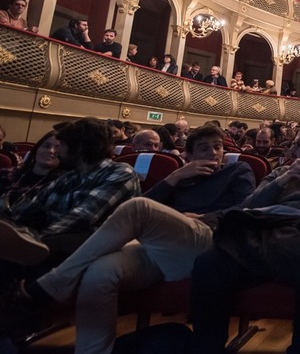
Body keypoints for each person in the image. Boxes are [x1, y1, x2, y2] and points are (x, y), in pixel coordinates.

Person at [9, 125, 256, 353]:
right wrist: (173, 178)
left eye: (218, 146)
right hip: (158, 251)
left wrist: (204, 216)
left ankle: (51, 285)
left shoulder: (237, 170)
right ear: (188, 155)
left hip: (207, 245)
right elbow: (134, 209)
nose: (213, 152)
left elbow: (246, 210)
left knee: (139, 208)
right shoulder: (181, 178)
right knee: (99, 273)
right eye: (204, 148)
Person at [188, 124, 300, 354]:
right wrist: (281, 181)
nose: (292, 149)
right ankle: (208, 347)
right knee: (208, 264)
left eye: (299, 144)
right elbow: (248, 205)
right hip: (264, 229)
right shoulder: (281, 173)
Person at [0, 118, 140, 267]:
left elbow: (82, 217)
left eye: (62, 145)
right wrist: (11, 224)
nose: (57, 151)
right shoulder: (71, 176)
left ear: (78, 147)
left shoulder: (121, 172)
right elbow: (33, 205)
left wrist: (32, 240)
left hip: (95, 244)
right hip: (53, 239)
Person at [0, 130, 64, 209]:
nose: (51, 151)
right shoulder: (6, 174)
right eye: (46, 146)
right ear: (37, 149)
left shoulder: (61, 186)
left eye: (58, 149)